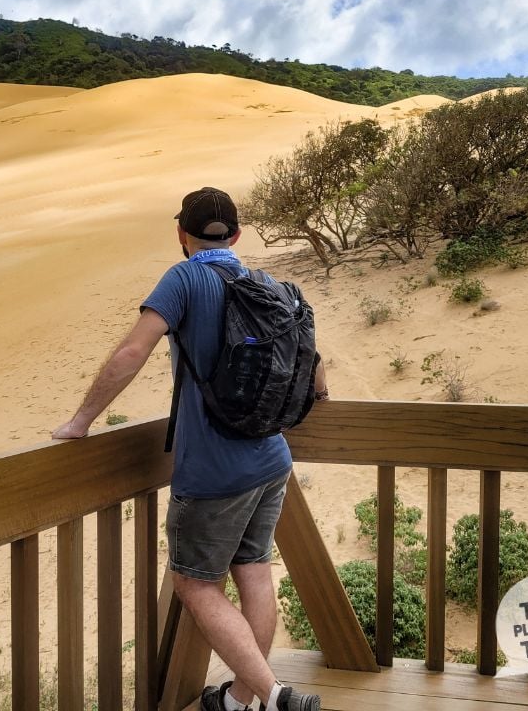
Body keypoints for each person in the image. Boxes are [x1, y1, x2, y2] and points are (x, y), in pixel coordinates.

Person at [52, 187, 326, 711]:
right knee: (254, 572)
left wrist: (81, 420)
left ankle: (273, 697)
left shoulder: (184, 278)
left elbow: (134, 350)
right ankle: (238, 702)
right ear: (238, 236)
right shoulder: (265, 282)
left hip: (214, 472)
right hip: (271, 460)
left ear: (183, 234)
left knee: (194, 584)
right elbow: (314, 366)